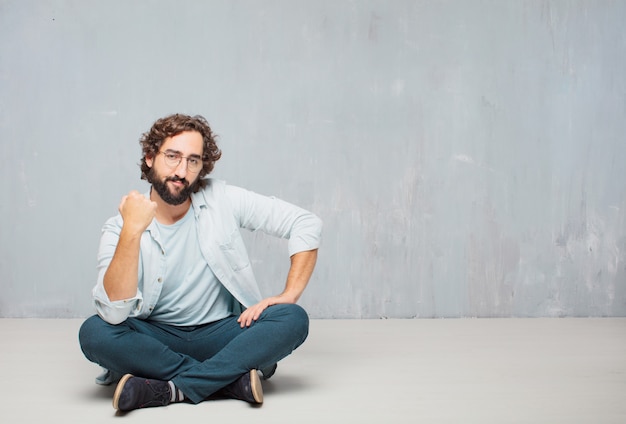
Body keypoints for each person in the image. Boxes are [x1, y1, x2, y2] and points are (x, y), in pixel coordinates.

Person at [78, 113, 322, 412]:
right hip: (156, 339)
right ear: (150, 157)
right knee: (94, 332)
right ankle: (229, 380)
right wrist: (132, 230)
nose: (182, 171)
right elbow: (114, 314)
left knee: (292, 317)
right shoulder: (120, 225)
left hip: (223, 333)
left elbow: (305, 223)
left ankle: (169, 390)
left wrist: (289, 295)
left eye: (193, 161)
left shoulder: (223, 199)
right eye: (172, 156)